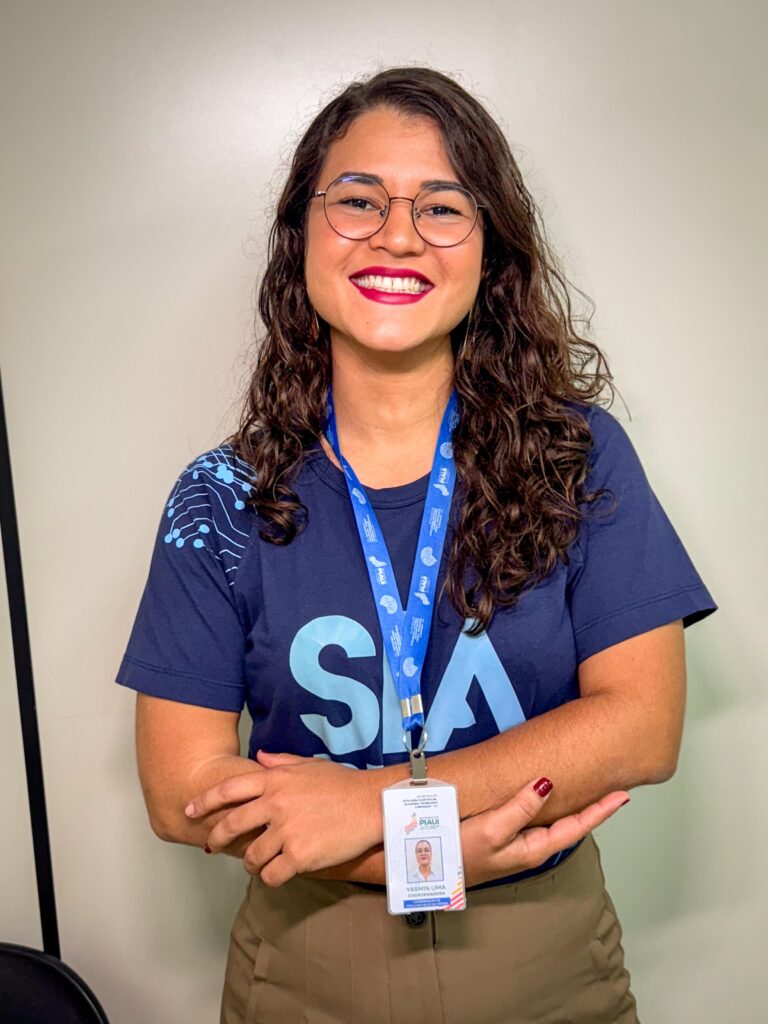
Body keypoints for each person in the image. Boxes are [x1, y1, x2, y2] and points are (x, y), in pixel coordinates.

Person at [116, 65, 718, 1024]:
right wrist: (411, 847)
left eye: (442, 207)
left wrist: (385, 806)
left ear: (492, 252)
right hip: (306, 957)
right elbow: (179, 787)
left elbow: (641, 727)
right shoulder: (219, 496)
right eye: (358, 200)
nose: (396, 234)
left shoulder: (578, 454)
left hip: (542, 952)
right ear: (299, 237)